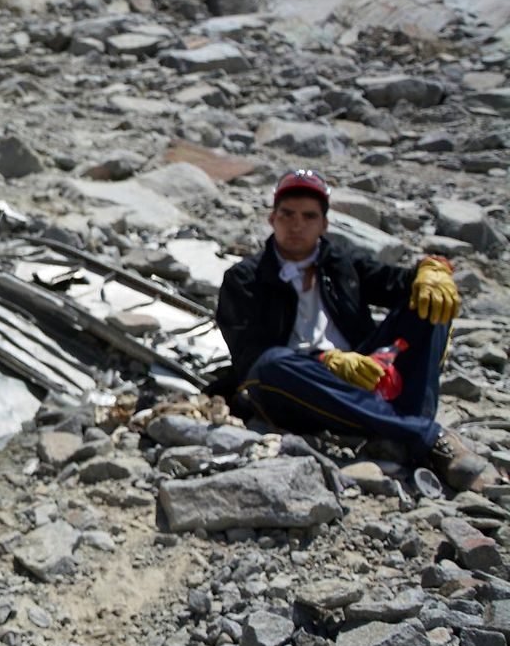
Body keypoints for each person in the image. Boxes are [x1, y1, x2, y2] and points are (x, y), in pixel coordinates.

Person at [212, 169, 495, 492]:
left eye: (308, 216)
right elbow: (250, 356)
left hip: (363, 373)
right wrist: (325, 360)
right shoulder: (244, 279)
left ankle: (401, 425)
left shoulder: (340, 264)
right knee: (271, 365)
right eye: (287, 214)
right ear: (272, 218)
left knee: (430, 300)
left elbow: (397, 282)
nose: (296, 224)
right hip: (299, 387)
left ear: (324, 224)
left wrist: (434, 269)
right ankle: (423, 435)